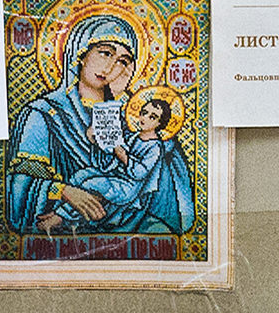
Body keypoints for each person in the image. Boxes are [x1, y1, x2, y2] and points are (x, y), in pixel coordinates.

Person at [5, 13, 153, 235]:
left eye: (123, 61)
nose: (112, 66)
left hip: (128, 229)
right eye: (105, 53)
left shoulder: (135, 120)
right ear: (81, 54)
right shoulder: (43, 114)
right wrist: (64, 192)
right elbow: (18, 188)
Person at [70, 92, 195, 236]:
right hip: (115, 176)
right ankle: (62, 214)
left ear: (160, 124)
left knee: (94, 184)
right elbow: (107, 162)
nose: (145, 118)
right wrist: (96, 140)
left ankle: (61, 217)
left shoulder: (155, 147)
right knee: (81, 175)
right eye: (144, 112)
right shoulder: (132, 137)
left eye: (152, 117)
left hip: (130, 187)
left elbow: (139, 173)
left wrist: (123, 155)